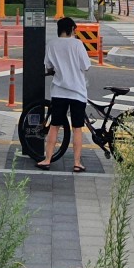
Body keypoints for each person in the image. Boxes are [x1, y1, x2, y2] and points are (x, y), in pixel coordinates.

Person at [38, 16, 92, 172]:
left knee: (54, 126)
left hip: (59, 91)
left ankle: (47, 159)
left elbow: (48, 65)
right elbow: (86, 66)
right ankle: (76, 163)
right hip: (77, 92)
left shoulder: (52, 44)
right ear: (72, 29)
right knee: (77, 128)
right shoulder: (78, 44)